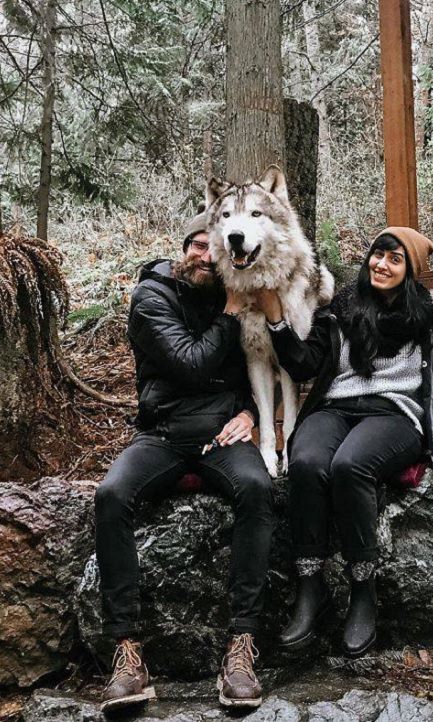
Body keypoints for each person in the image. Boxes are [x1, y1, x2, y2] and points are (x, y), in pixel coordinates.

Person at [253, 226, 433, 658]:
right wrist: (276, 322)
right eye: (377, 254)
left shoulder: (426, 318)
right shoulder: (343, 308)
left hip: (394, 414)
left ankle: (363, 590)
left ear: (410, 271)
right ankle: (311, 589)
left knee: (351, 466)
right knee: (307, 461)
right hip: (336, 408)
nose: (381, 264)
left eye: (394, 259)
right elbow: (305, 363)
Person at [94, 210, 273, 712]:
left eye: (211, 247)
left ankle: (242, 647)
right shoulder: (152, 295)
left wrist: (250, 412)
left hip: (223, 433)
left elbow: (254, 365)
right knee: (110, 496)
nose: (203, 255)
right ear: (183, 249)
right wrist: (232, 312)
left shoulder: (229, 291)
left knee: (258, 490)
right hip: (163, 432)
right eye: (195, 245)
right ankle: (127, 653)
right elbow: (191, 362)